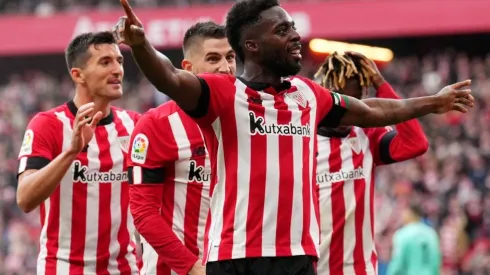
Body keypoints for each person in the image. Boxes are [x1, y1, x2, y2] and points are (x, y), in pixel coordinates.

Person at [113, 0, 473, 273]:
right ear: (252, 45)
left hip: (297, 256)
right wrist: (141, 46)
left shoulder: (306, 94)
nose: (295, 35)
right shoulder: (222, 95)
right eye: (282, 30)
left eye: (293, 28)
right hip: (235, 255)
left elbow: (371, 112)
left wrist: (434, 102)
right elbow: (170, 78)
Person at [16, 31, 139, 275]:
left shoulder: (136, 126)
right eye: (105, 62)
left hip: (126, 270)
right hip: (62, 269)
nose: (117, 70)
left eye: (119, 61)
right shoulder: (47, 124)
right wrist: (71, 152)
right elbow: (25, 198)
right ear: (77, 74)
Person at [127, 21, 236, 275]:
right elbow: (143, 212)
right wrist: (194, 268)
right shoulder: (156, 125)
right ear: (188, 68)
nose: (225, 66)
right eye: (213, 58)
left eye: (230, 57)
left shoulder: (250, 119)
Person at [314, 52, 429, 275]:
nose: (353, 111)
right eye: (346, 101)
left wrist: (381, 84)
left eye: (359, 101)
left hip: (361, 270)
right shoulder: (300, 140)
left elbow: (416, 144)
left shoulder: (366, 135)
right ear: (328, 96)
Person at [387, 201, 441, 275]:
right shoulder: (431, 233)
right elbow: (435, 261)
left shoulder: (402, 234)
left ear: (410, 213)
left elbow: (397, 262)